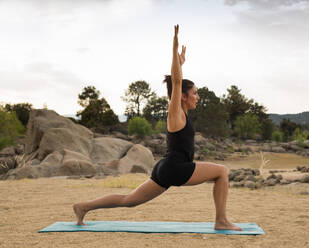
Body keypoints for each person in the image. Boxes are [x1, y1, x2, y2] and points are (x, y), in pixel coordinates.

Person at [73, 25, 242, 231]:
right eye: (195, 93)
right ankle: (221, 221)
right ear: (182, 96)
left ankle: (83, 207)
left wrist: (180, 63)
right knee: (222, 171)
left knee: (129, 200)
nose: (198, 97)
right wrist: (174, 50)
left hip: (166, 168)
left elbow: (177, 81)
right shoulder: (175, 112)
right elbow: (177, 82)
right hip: (176, 168)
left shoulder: (183, 114)